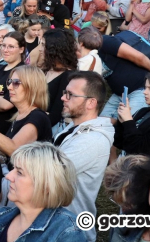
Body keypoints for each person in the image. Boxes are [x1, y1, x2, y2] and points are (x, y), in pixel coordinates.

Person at [0, 142, 84, 242]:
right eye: (13, 169)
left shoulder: (66, 231)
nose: (9, 176)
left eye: (19, 173)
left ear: (46, 186)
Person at [53, 71, 114, 242]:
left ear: (91, 103)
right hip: (59, 224)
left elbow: (49, 172)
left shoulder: (92, 141)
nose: (63, 98)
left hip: (70, 231)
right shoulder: (74, 128)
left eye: (70, 95)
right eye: (65, 93)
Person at [0, 65, 52, 159]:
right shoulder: (19, 115)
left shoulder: (38, 117)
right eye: (9, 82)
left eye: (16, 83)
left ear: (32, 86)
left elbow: (14, 149)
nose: (9, 87)